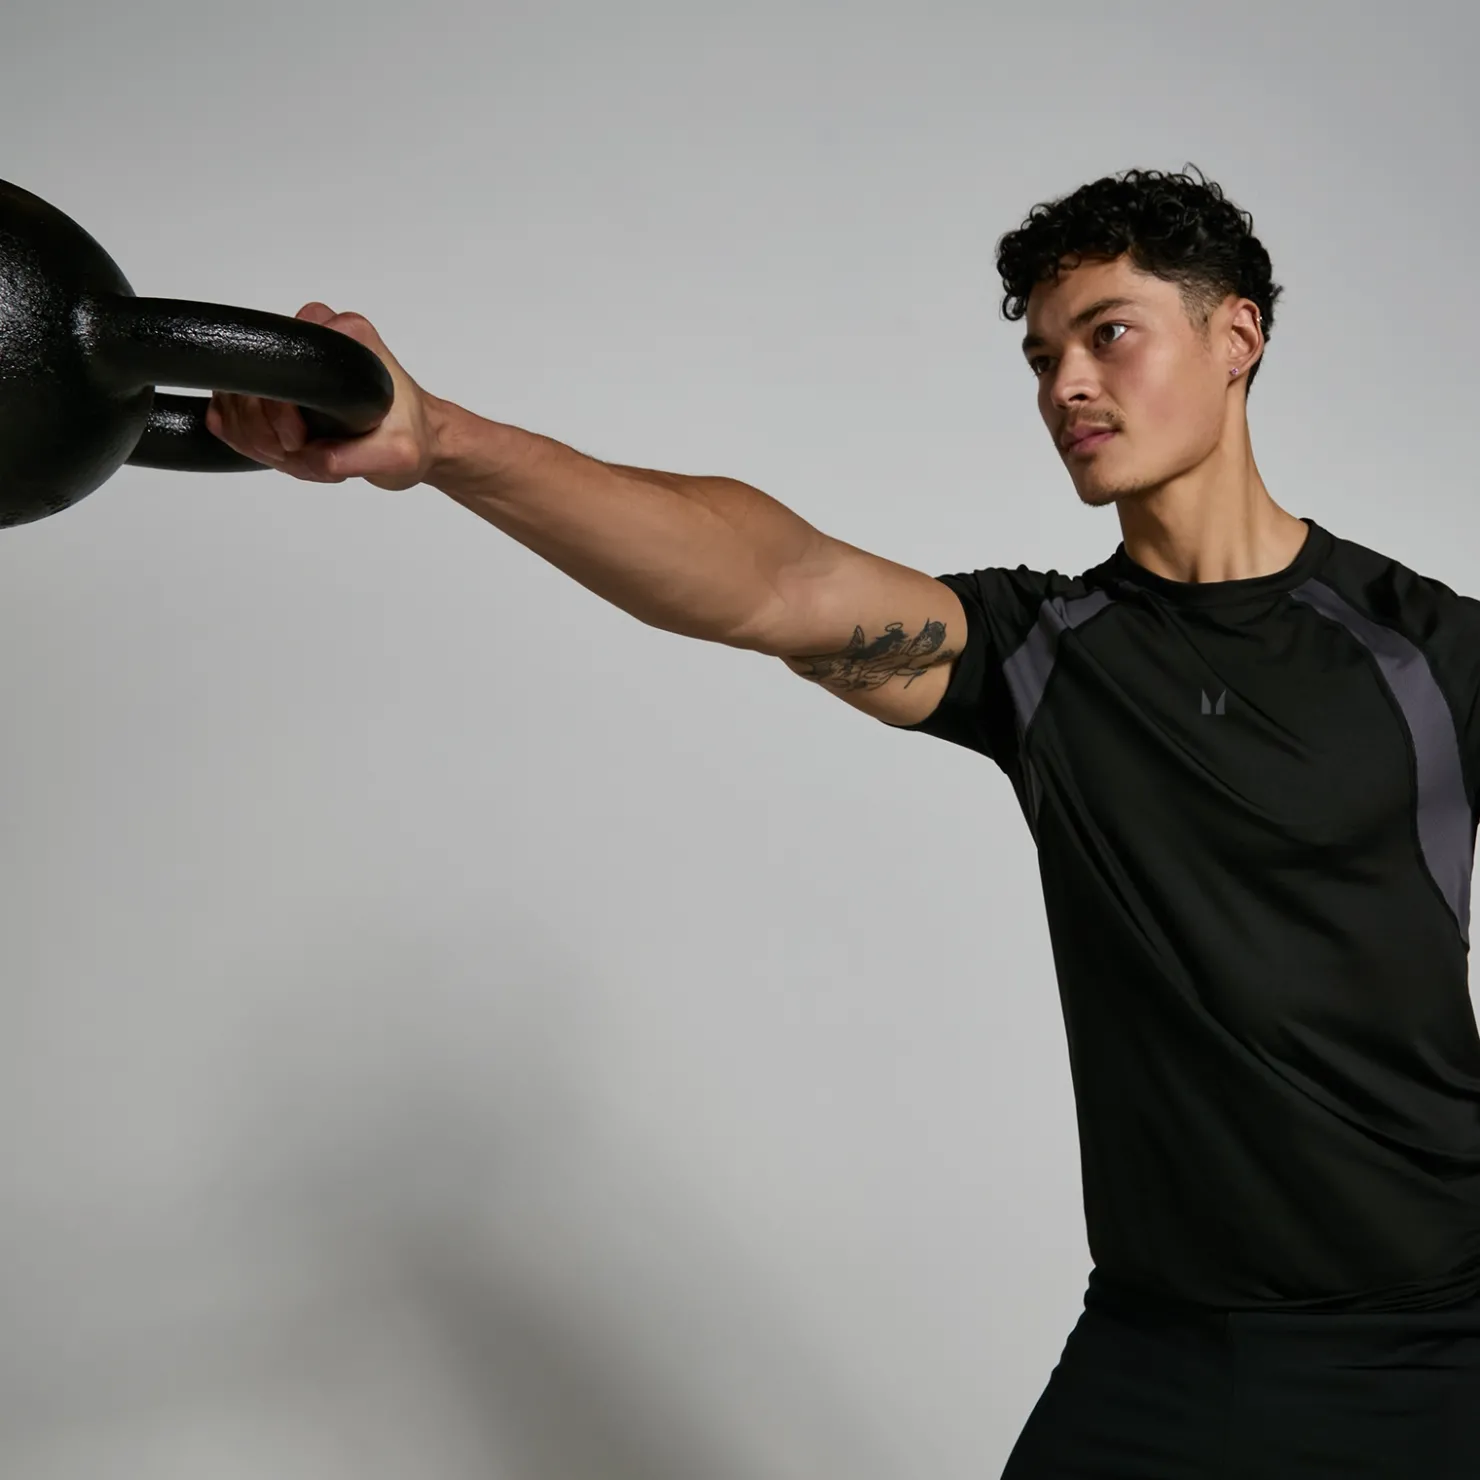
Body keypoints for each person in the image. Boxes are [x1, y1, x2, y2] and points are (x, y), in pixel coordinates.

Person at [207, 165, 1480, 1476]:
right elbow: (776, 580)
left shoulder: (1435, 655)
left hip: (1430, 1347)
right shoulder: (1044, 656)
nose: (1068, 386)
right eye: (1043, 358)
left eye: (1110, 333)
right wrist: (438, 439)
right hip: (1161, 1348)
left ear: (1237, 336)